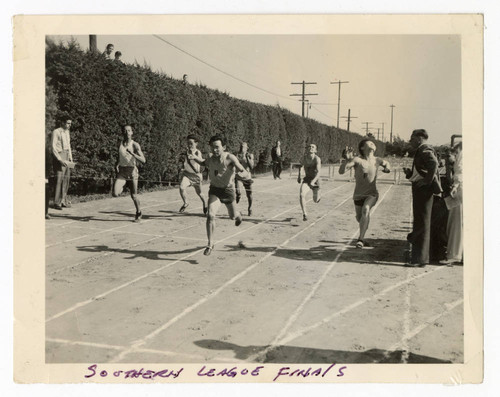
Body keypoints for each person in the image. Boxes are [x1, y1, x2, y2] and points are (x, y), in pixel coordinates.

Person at [189, 135, 249, 256]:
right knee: (210, 215)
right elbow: (202, 162)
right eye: (212, 147)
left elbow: (242, 169)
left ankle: (239, 216)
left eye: (217, 147)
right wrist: (194, 157)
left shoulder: (230, 157)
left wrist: (241, 172)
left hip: (228, 191)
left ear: (224, 147)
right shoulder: (210, 159)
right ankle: (210, 244)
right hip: (215, 190)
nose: (214, 150)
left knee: (232, 216)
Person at [339, 140, 391, 248]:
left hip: (372, 194)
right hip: (358, 195)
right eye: (369, 142)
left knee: (366, 209)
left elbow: (387, 163)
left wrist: (387, 168)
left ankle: (360, 239)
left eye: (373, 143)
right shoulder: (357, 160)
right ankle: (363, 235)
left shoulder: (377, 160)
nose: (372, 144)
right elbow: (341, 171)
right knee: (360, 218)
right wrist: (346, 160)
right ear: (362, 148)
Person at [403, 129, 442, 267]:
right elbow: (428, 167)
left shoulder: (424, 148)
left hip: (423, 190)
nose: (410, 141)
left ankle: (419, 259)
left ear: (419, 138)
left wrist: (426, 181)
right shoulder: (423, 149)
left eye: (412, 138)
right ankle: (420, 258)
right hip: (422, 189)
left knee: (421, 223)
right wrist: (411, 174)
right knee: (421, 222)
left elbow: (434, 164)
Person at [112, 125, 146, 222]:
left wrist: (133, 154)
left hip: (132, 172)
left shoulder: (135, 145)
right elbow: (120, 156)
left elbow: (143, 160)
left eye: (129, 131)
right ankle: (123, 185)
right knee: (115, 193)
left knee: (134, 196)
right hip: (122, 171)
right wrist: (117, 164)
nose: (127, 133)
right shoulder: (120, 144)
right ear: (123, 133)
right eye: (125, 131)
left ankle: (138, 212)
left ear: (132, 132)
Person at [440, 141, 463, 266]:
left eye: (449, 156)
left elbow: (459, 175)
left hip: (460, 192)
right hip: (460, 191)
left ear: (455, 153)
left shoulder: (460, 159)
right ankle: (459, 253)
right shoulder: (456, 161)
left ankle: (454, 254)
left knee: (455, 223)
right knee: (457, 223)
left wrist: (455, 186)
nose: (447, 159)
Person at [178, 134, 207, 214]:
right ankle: (186, 202)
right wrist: (183, 167)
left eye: (191, 143)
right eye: (188, 143)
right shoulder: (186, 152)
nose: (189, 145)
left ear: (196, 143)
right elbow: (185, 162)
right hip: (187, 174)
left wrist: (194, 156)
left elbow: (201, 161)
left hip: (196, 176)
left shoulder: (198, 152)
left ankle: (205, 204)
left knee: (200, 193)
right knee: (181, 187)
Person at [51, 118, 74, 210]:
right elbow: (53, 147)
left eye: (70, 123)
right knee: (59, 180)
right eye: (68, 123)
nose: (70, 125)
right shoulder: (56, 132)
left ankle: (63, 201)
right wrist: (60, 159)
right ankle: (56, 203)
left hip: (67, 155)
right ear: (62, 122)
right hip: (60, 156)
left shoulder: (67, 132)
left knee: (66, 179)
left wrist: (70, 158)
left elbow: (69, 146)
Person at [297, 143, 322, 221]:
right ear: (307, 149)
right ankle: (305, 214)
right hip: (307, 179)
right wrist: (299, 176)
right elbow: (300, 166)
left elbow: (318, 173)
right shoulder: (304, 158)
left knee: (315, 200)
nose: (311, 148)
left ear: (315, 150)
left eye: (313, 147)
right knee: (301, 194)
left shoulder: (317, 159)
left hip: (316, 180)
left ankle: (317, 194)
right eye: (309, 147)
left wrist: (313, 182)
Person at [235, 142, 255, 216]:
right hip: (239, 177)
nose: (242, 148)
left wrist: (247, 158)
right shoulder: (237, 155)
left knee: (249, 194)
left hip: (247, 177)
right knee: (238, 191)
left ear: (247, 148)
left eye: (243, 147)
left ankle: (250, 208)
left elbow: (252, 167)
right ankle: (238, 195)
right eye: (241, 147)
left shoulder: (250, 155)